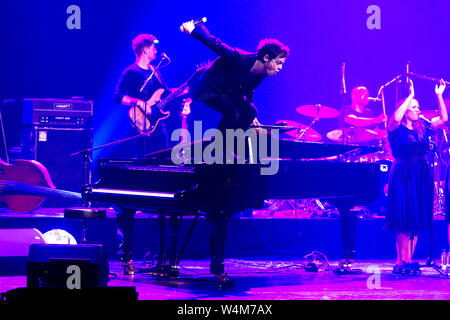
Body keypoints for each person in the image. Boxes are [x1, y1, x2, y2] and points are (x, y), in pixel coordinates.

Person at [180, 20, 288, 287]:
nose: (280, 68)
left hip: (228, 92)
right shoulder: (240, 58)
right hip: (207, 89)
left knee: (248, 112)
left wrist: (254, 118)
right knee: (232, 112)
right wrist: (193, 28)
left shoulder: (260, 73)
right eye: (278, 63)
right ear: (266, 57)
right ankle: (219, 150)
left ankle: (231, 148)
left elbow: (248, 92)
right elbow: (216, 44)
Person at [112, 34, 172, 275]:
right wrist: (140, 103)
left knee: (164, 159)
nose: (156, 51)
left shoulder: (157, 74)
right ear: (145, 49)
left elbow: (165, 96)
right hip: (140, 123)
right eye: (153, 47)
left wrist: (185, 92)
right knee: (143, 164)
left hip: (159, 126)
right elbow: (118, 97)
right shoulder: (131, 72)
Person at [386, 79, 447, 274]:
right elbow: (396, 118)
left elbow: (444, 120)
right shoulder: (396, 128)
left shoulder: (423, 127)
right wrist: (410, 96)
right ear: (405, 109)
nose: (418, 110)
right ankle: (401, 260)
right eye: (414, 107)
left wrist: (439, 96)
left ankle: (408, 259)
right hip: (403, 175)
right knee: (405, 217)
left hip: (420, 174)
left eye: (418, 107)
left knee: (416, 218)